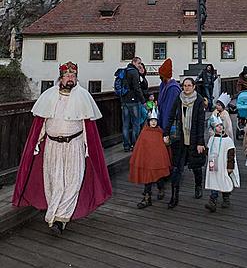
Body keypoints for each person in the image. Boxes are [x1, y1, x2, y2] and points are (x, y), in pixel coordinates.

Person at [12, 62, 112, 236]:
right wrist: (35, 145)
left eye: (73, 76)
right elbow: (41, 124)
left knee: (73, 182)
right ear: (61, 77)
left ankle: (60, 219)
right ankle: (54, 213)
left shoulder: (83, 96)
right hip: (53, 147)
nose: (70, 79)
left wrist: (89, 149)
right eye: (67, 76)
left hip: (75, 146)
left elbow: (88, 128)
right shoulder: (48, 96)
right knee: (54, 182)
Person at [163, 77, 206, 208]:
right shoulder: (179, 98)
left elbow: (200, 123)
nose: (186, 88)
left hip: (194, 139)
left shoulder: (199, 101)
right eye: (184, 85)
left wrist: (200, 142)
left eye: (189, 85)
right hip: (180, 139)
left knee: (196, 166)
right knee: (177, 169)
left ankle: (198, 186)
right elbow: (171, 116)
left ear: (194, 87)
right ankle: (174, 197)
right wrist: (166, 132)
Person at [129, 108, 171, 208]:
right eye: (151, 120)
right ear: (148, 121)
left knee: (159, 177)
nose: (153, 122)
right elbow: (140, 147)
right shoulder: (144, 132)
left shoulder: (160, 132)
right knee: (147, 179)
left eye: (155, 121)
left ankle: (160, 188)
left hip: (157, 161)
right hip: (147, 161)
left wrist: (167, 141)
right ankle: (147, 198)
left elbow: (165, 146)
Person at [204, 115, 240, 212]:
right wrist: (203, 150)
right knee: (214, 180)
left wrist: (230, 167)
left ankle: (226, 198)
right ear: (213, 129)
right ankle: (212, 201)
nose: (220, 127)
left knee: (223, 180)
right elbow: (209, 150)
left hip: (223, 165)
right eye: (217, 126)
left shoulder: (228, 140)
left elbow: (231, 154)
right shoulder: (211, 139)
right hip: (213, 163)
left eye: (220, 125)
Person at [120, 57, 146, 152]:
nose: (140, 65)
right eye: (139, 63)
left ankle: (126, 145)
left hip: (124, 101)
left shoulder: (125, 71)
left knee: (125, 124)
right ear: (134, 62)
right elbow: (137, 88)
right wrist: (143, 101)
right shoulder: (134, 72)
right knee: (136, 124)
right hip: (133, 101)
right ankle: (135, 145)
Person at [157, 58, 181, 132]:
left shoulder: (173, 88)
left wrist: (166, 127)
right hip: (163, 117)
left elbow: (169, 108)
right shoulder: (164, 85)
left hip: (169, 122)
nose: (159, 77)